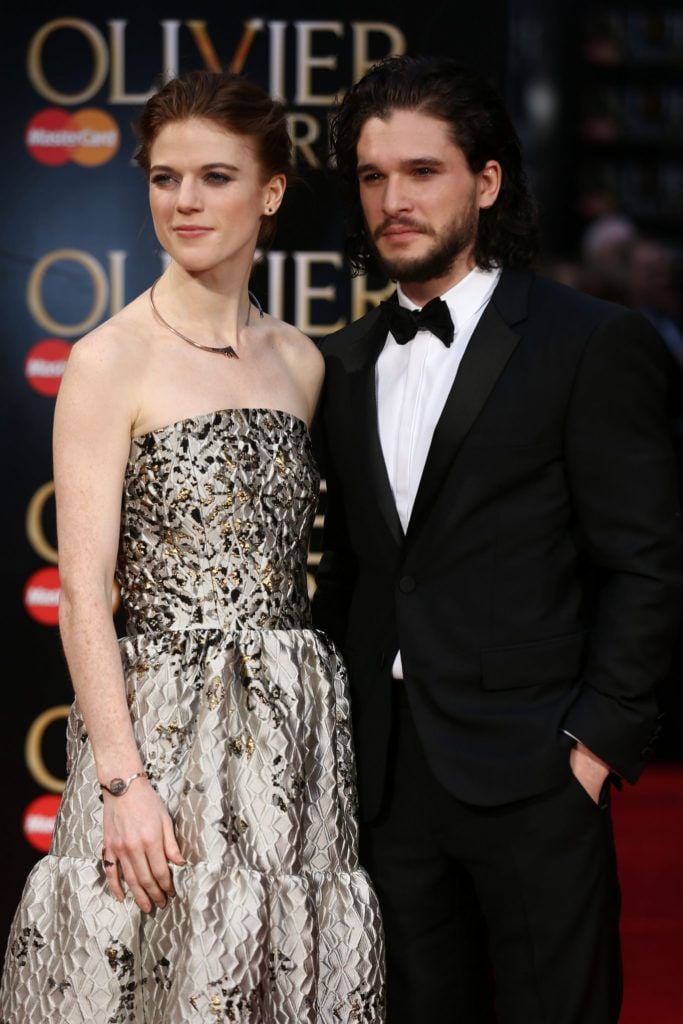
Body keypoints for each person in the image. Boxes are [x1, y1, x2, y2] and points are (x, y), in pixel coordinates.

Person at [0, 69, 384, 1023]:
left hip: (290, 734)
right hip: (160, 732)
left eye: (214, 177)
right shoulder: (108, 359)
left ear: (271, 191)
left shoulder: (301, 359)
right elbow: (84, 592)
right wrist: (123, 782)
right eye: (165, 179)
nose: (184, 202)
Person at [312, 55, 683, 1024]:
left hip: (534, 773)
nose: (392, 198)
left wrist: (594, 741)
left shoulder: (588, 341)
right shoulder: (338, 364)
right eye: (370, 175)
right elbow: (354, 571)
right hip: (386, 786)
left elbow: (645, 558)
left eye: (422, 171)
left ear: (485, 182)